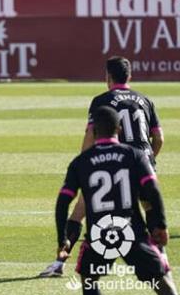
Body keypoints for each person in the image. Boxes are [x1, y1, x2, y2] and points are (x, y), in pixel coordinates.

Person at [40, 56, 164, 277]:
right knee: (150, 208)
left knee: (80, 211)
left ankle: (59, 263)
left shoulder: (101, 100)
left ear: (108, 76)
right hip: (142, 161)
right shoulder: (145, 100)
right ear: (130, 76)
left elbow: (90, 135)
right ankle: (161, 258)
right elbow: (159, 138)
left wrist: (86, 166)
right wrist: (147, 161)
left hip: (111, 164)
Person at [54, 106, 179, 295]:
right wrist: (160, 225)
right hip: (132, 233)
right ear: (118, 129)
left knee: (89, 279)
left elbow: (63, 202)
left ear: (93, 132)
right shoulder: (134, 155)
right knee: (163, 284)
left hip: (100, 236)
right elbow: (152, 191)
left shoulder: (80, 162)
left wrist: (62, 238)